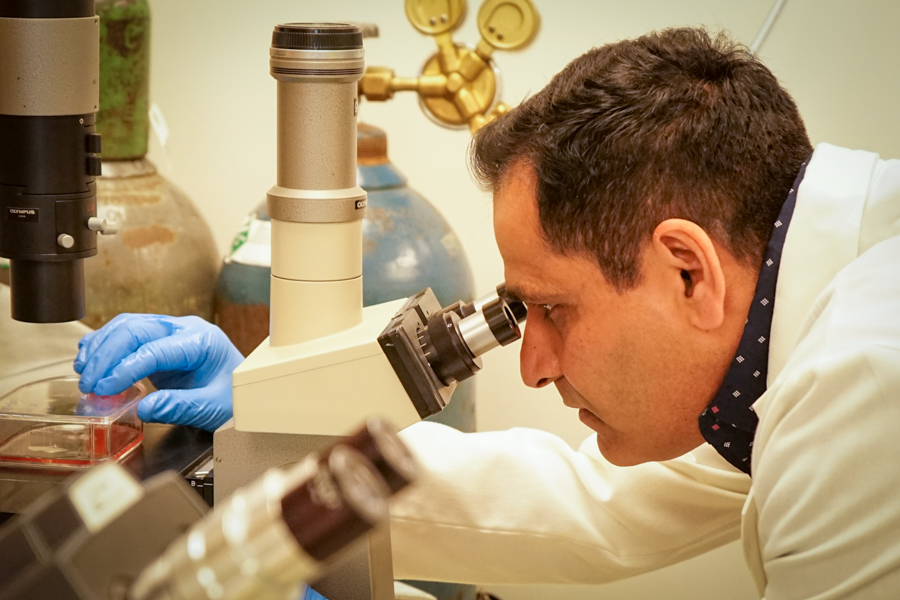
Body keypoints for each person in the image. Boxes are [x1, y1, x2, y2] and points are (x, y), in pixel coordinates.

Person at [74, 28, 900, 598]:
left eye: (551, 309)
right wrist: (267, 450)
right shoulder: (788, 344)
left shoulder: (863, 387)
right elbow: (600, 503)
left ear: (687, 269)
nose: (533, 366)